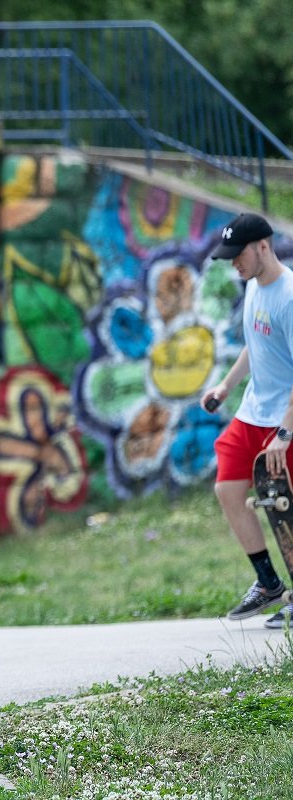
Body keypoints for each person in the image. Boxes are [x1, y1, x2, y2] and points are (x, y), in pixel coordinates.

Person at [201, 212, 293, 630]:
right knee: (227, 488)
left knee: (287, 509)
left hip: (284, 418)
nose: (233, 263)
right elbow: (254, 345)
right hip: (254, 411)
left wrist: (285, 433)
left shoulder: (290, 297)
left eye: (238, 255)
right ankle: (268, 583)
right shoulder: (255, 287)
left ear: (263, 246)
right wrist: (224, 386)